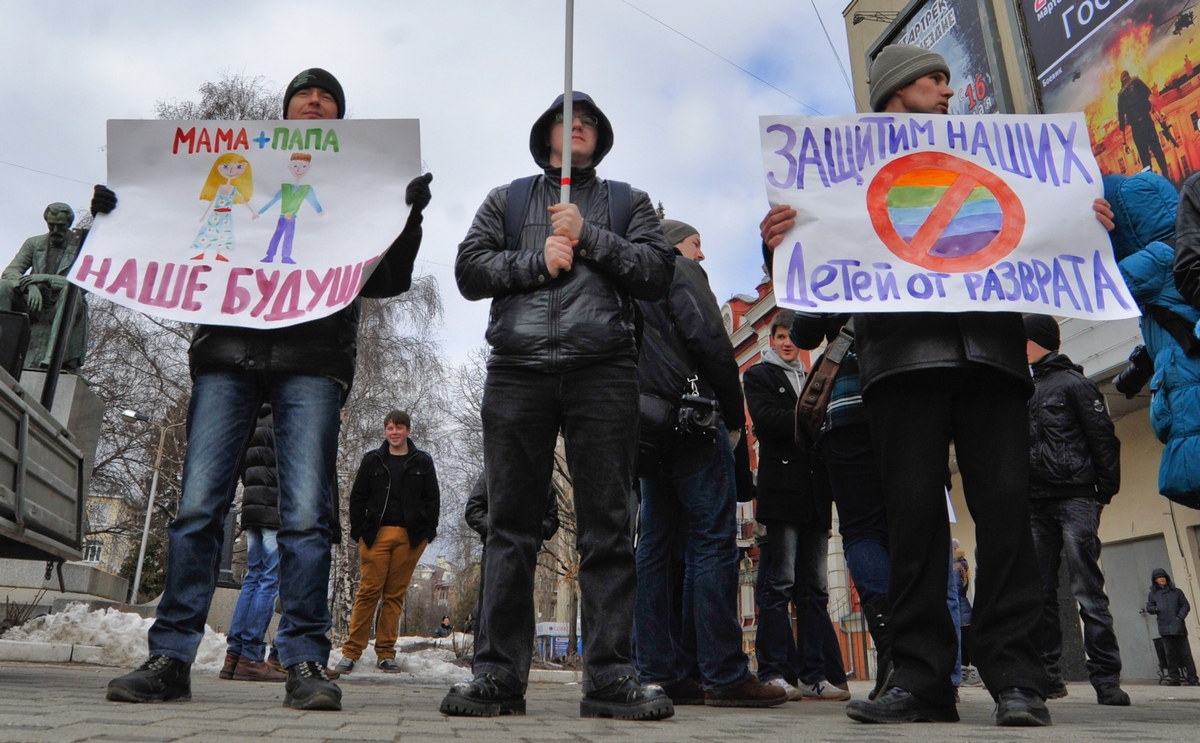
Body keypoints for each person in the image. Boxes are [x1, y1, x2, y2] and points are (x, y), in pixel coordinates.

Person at [761, 45, 1114, 727]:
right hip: (899, 368)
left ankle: (1017, 676)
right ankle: (922, 678)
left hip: (993, 362)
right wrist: (783, 247)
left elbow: (1044, 293)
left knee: (1007, 516)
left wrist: (1081, 231)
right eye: (935, 80)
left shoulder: (991, 161)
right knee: (913, 522)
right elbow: (807, 326)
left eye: (951, 81)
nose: (949, 92)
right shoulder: (851, 176)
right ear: (897, 92)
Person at [106, 67, 434, 711]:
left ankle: (304, 659)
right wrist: (125, 212)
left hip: (313, 359)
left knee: (308, 516)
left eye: (328, 98)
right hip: (228, 352)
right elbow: (178, 229)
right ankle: (170, 656)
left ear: (340, 122)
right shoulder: (242, 168)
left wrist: (407, 213)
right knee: (200, 508)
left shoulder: (358, 188)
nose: (315, 102)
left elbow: (389, 280)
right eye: (303, 96)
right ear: (283, 113)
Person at [443, 91, 675, 720]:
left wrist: (589, 236)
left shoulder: (629, 202)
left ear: (601, 138)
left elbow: (657, 273)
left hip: (603, 371)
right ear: (544, 131)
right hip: (518, 371)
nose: (578, 127)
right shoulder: (509, 199)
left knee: (608, 525)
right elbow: (469, 271)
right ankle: (496, 675)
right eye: (566, 119)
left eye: (591, 121)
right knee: (508, 524)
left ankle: (609, 677)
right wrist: (537, 261)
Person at [633, 219, 785, 709]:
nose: (702, 255)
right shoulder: (680, 270)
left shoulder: (633, 281)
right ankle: (724, 672)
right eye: (697, 243)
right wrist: (731, 411)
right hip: (693, 422)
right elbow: (712, 343)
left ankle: (659, 668)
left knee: (654, 546)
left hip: (648, 426)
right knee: (712, 542)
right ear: (675, 243)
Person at [1023, 315, 1129, 706]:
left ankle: (1106, 678)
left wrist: (1105, 490)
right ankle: (1050, 677)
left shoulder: (1073, 383)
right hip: (1035, 500)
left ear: (1038, 341)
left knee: (1087, 588)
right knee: (1040, 592)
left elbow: (1103, 437)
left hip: (1076, 496)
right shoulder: (1022, 387)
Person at [744, 310, 847, 702]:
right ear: (771, 340)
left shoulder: (816, 376)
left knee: (816, 591)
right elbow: (767, 420)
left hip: (816, 495)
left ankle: (814, 674)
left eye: (791, 336)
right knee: (779, 586)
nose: (787, 342)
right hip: (782, 492)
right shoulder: (758, 376)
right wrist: (811, 416)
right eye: (781, 336)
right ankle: (772, 671)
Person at [335, 410, 440, 674]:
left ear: (408, 431)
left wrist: (428, 533)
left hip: (410, 538)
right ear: (385, 431)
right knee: (368, 592)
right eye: (390, 428)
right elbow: (357, 498)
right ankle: (351, 652)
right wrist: (359, 532)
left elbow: (433, 499)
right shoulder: (373, 460)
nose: (394, 432)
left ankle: (385, 653)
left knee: (394, 596)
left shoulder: (422, 462)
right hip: (376, 535)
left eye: (399, 427)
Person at [222, 404, 287, 683]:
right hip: (274, 508)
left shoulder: (252, 416)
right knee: (268, 581)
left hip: (252, 507)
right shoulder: (284, 417)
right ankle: (250, 655)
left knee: (253, 578)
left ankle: (234, 655)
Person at [0, 202, 89, 370]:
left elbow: (84, 285)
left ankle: (52, 357)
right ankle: (3, 350)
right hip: (34, 303)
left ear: (69, 224)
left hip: (64, 303)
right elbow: (10, 271)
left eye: (60, 226)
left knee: (71, 292)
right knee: (3, 286)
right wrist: (29, 286)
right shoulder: (34, 243)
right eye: (51, 225)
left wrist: (44, 278)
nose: (55, 230)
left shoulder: (82, 246)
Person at [188, 153, 258, 262]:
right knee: (208, 232)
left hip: (226, 215)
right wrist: (204, 216)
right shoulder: (219, 188)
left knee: (223, 234)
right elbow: (212, 202)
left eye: (239, 167)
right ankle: (202, 253)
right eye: (226, 166)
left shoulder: (235, 190)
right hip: (215, 214)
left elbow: (244, 201)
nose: (231, 170)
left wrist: (253, 213)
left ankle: (219, 254)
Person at [259, 153, 324, 264]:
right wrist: (260, 212)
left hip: (292, 218)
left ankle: (286, 257)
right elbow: (273, 200)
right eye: (295, 166)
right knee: (277, 235)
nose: (299, 169)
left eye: (304, 166)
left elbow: (314, 201)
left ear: (309, 168)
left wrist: (320, 211)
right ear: (289, 166)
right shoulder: (285, 188)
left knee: (289, 237)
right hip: (283, 217)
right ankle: (270, 255)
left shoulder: (306, 189)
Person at [1117, 71, 1170, 179]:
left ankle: (1151, 183)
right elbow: (1150, 97)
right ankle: (1167, 177)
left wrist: (1124, 143)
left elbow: (1121, 121)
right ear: (1129, 76)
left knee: (1145, 159)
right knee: (1157, 150)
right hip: (1146, 121)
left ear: (1121, 82)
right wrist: (1160, 113)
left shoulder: (1121, 96)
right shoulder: (1137, 81)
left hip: (1136, 129)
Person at [1146, 569, 1195, 685]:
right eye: (1159, 577)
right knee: (1169, 654)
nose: (1162, 579)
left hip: (1179, 627)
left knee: (1186, 654)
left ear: (1167, 578)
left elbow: (1185, 605)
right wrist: (1156, 609)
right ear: (1155, 580)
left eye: (1163, 577)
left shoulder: (1177, 592)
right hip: (1164, 627)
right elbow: (1150, 607)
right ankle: (1174, 679)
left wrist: (1180, 617)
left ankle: (1193, 678)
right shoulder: (1153, 594)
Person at [952, 541, 980, 687]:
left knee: (966, 643)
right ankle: (966, 671)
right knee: (964, 643)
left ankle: (974, 671)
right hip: (964, 611)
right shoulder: (960, 565)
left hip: (961, 612)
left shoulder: (956, 567)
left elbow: (954, 590)